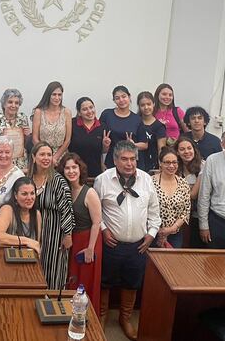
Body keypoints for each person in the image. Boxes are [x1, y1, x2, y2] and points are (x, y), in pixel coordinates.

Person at [94, 141, 161, 340]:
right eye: (124, 159)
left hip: (139, 246)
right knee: (105, 282)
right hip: (111, 244)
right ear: (115, 160)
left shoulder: (146, 180)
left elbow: (154, 211)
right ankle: (102, 315)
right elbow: (95, 212)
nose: (129, 163)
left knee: (131, 284)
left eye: (132, 159)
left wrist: (151, 234)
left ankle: (125, 318)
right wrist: (104, 230)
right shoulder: (102, 180)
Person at [59, 152, 102, 314]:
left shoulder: (89, 193)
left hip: (89, 240)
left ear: (80, 169)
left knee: (86, 281)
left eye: (74, 167)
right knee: (73, 280)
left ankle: (88, 319)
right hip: (73, 240)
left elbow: (97, 222)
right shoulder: (66, 190)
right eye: (67, 168)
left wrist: (91, 248)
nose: (71, 171)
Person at [30, 141, 74, 290]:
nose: (46, 158)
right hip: (31, 235)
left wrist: (67, 235)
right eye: (42, 154)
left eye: (49, 154)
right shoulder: (27, 179)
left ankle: (53, 308)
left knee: (53, 273)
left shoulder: (58, 181)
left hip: (55, 236)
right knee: (31, 272)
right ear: (33, 157)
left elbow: (67, 209)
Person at [0, 88, 32, 171]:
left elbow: (26, 143)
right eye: (10, 102)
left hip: (19, 165)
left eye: (16, 103)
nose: (13, 105)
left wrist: (28, 135)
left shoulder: (23, 118)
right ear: (4, 104)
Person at [0, 177, 42, 256]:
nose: (29, 198)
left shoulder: (37, 214)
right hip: (4, 259)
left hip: (28, 262)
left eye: (32, 193)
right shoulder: (7, 209)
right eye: (24, 194)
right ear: (15, 195)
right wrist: (26, 241)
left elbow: (36, 246)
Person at [152, 146, 191, 249]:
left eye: (174, 162)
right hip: (152, 233)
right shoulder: (150, 182)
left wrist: (171, 229)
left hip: (175, 234)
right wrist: (160, 231)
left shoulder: (183, 183)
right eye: (167, 162)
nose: (171, 166)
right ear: (160, 163)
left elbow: (186, 211)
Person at [100, 85, 146, 170]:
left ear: (129, 97)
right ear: (114, 100)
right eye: (117, 98)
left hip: (130, 162)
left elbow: (145, 144)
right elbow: (99, 139)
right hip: (111, 160)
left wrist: (133, 145)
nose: (121, 100)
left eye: (124, 96)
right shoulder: (107, 114)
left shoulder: (137, 119)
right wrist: (104, 144)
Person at [32, 81, 72, 165]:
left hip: (61, 156)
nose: (57, 98)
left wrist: (55, 158)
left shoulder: (66, 112)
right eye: (54, 94)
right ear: (48, 95)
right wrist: (46, 156)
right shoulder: (39, 112)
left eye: (59, 95)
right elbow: (35, 138)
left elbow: (67, 140)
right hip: (42, 156)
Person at [176, 136, 205, 247]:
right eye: (182, 149)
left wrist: (182, 191)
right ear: (177, 152)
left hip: (198, 214)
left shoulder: (203, 165)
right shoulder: (175, 166)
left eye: (189, 148)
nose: (186, 152)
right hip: (180, 215)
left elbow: (193, 195)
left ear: (194, 150)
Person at [68, 96, 105, 179]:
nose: (89, 111)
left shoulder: (102, 127)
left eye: (91, 107)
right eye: (85, 109)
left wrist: (106, 146)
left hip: (95, 173)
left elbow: (103, 152)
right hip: (74, 173)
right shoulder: (72, 124)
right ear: (79, 112)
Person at [136, 91, 167, 173]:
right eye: (142, 105)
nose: (146, 107)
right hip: (135, 163)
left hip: (152, 166)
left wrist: (161, 167)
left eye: (148, 104)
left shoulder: (159, 126)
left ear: (153, 104)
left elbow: (161, 149)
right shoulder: (134, 122)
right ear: (139, 106)